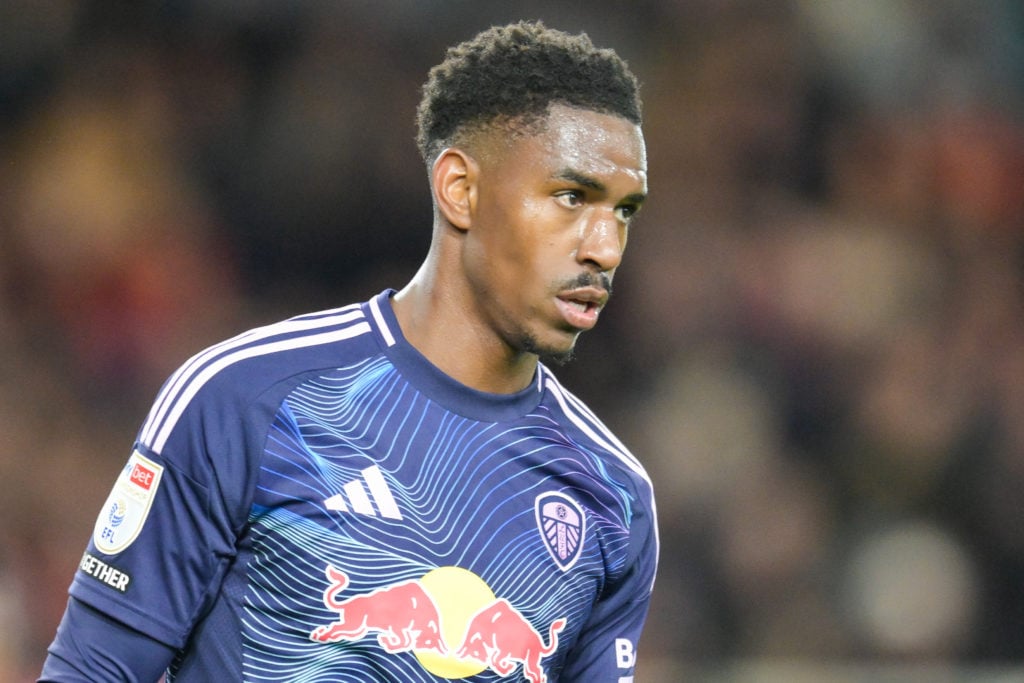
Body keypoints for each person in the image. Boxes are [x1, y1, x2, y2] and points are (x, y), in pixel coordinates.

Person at [40, 20, 657, 682]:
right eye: (572, 197)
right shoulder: (246, 400)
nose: (605, 247)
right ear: (460, 189)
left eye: (624, 211)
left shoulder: (613, 497)